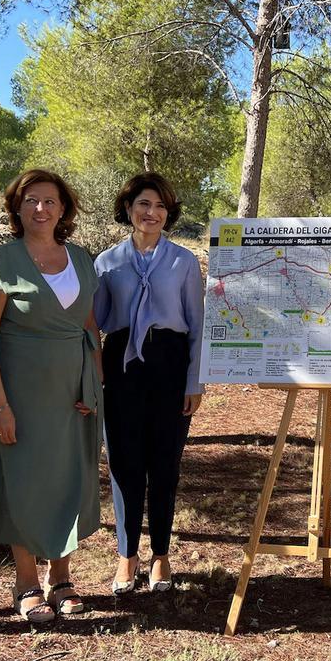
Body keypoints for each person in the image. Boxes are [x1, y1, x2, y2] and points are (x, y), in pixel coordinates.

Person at [0, 169, 102, 623]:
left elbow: (89, 328)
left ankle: (61, 576)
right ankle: (26, 581)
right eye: (30, 201)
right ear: (17, 207)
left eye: (49, 201)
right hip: (20, 396)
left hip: (74, 398)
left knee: (69, 480)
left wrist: (94, 385)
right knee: (23, 484)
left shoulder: (83, 259)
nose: (40, 209)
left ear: (63, 208)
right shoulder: (1, 262)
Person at [94, 172, 204, 596]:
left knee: (164, 463)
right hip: (121, 366)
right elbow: (95, 324)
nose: (151, 213)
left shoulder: (184, 261)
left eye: (160, 206)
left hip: (170, 364)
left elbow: (196, 325)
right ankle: (127, 554)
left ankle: (160, 553)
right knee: (123, 464)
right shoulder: (106, 262)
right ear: (128, 208)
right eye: (143, 204)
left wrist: (194, 381)